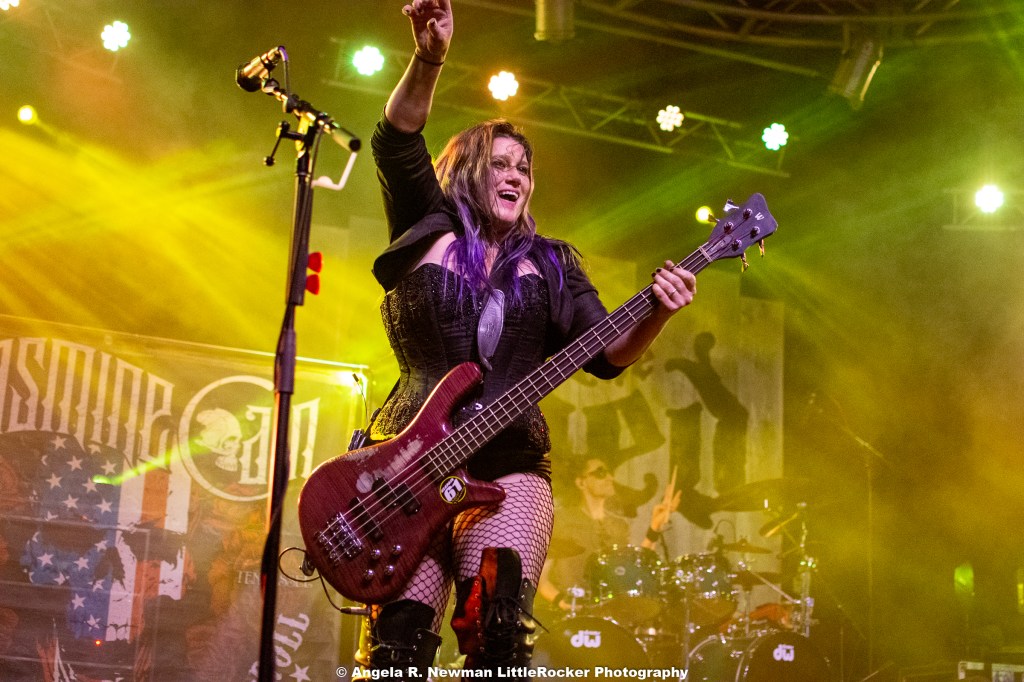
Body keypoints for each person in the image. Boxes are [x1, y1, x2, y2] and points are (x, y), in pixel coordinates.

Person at [359, 0, 696, 678]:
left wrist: (658, 313)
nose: (515, 175)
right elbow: (395, 137)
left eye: (525, 167)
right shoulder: (427, 224)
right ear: (465, 171)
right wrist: (429, 58)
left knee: (497, 630)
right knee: (397, 649)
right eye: (500, 163)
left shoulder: (554, 264)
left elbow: (608, 354)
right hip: (406, 463)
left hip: (508, 463)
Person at [538, 460, 681, 616]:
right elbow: (539, 578)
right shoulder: (561, 521)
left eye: (610, 473)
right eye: (601, 473)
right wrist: (561, 602)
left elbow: (633, 568)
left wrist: (655, 527)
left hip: (610, 613)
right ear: (581, 483)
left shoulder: (619, 525)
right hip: (571, 614)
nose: (610, 478)